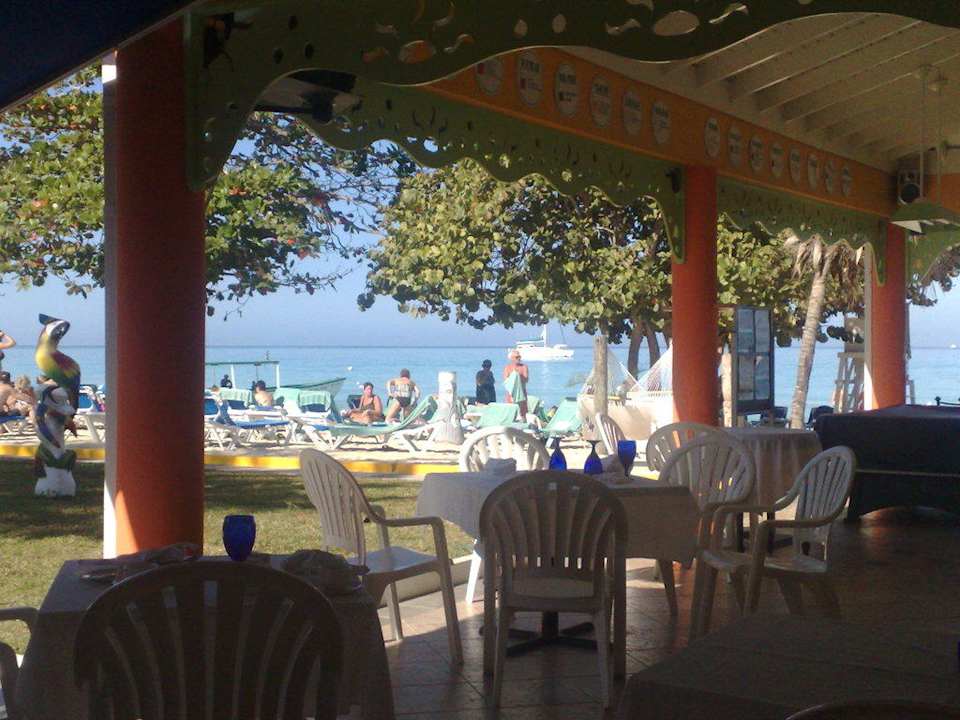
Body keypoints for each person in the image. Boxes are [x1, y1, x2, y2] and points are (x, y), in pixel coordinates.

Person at [503, 350, 529, 420]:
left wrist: (518, 376)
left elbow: (526, 380)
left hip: (521, 394)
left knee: (523, 413)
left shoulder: (524, 367)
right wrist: (513, 377)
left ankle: (524, 425)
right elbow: (506, 382)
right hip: (511, 394)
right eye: (517, 357)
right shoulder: (507, 368)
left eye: (519, 357)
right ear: (511, 358)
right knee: (511, 412)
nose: (519, 358)